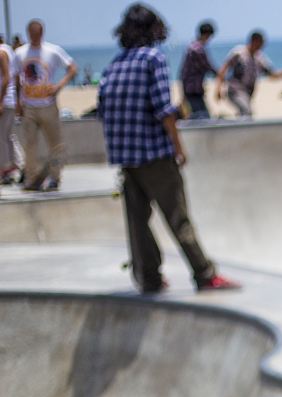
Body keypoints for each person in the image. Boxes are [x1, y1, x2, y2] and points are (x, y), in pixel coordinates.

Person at [98, 4, 240, 295]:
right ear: (154, 30)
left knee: (138, 223)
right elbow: (164, 110)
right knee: (178, 216)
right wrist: (178, 146)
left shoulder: (115, 64)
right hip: (154, 154)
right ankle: (204, 274)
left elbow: (103, 108)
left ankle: (148, 278)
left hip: (125, 156)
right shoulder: (153, 59)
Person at [12, 19, 77, 191]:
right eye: (32, 34)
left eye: (38, 34)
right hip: (29, 106)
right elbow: (16, 77)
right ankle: (31, 178)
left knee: (55, 144)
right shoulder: (20, 53)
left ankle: (55, 176)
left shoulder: (52, 51)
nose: (35, 37)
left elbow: (72, 68)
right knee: (30, 144)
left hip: (48, 104)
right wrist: (18, 102)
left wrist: (59, 86)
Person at [215, 31, 282, 118]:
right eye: (261, 43)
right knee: (247, 111)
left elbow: (272, 74)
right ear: (255, 41)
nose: (262, 46)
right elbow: (224, 68)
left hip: (248, 93)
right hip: (235, 90)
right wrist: (218, 87)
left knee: (244, 113)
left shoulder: (259, 58)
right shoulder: (239, 53)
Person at [179, 20, 217, 119]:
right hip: (193, 88)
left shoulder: (192, 46)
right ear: (207, 35)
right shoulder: (197, 49)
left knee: (199, 114)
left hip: (191, 87)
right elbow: (208, 66)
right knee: (201, 116)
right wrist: (220, 75)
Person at [0, 35, 18, 185]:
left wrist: (0, 101)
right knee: (8, 135)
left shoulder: (1, 53)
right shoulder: (8, 50)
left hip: (5, 101)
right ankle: (17, 165)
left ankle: (6, 170)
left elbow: (6, 78)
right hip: (10, 100)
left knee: (2, 137)